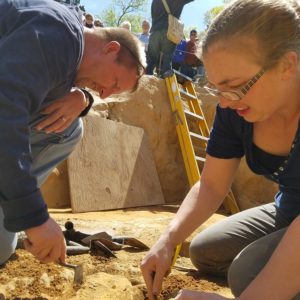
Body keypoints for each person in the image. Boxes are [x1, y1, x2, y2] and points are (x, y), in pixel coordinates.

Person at [141, 0, 300, 299]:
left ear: (286, 66)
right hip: (288, 208)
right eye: (216, 87)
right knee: (206, 251)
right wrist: (167, 240)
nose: (224, 102)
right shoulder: (234, 108)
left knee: (245, 273)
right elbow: (211, 184)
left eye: (234, 85)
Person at [0, 0, 146, 266]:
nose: (104, 94)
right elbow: (5, 112)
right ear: (111, 49)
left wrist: (83, 96)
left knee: (70, 128)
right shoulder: (58, 34)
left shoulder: (67, 48)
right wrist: (34, 218)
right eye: (113, 83)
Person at [146, 0, 193, 77]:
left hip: (155, 31)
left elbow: (153, 15)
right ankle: (166, 84)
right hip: (170, 31)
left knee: (151, 60)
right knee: (167, 62)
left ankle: (146, 82)